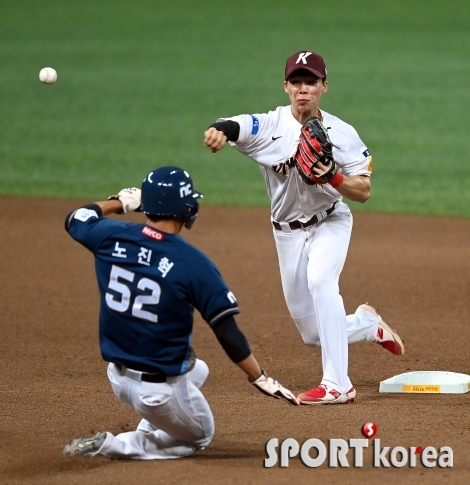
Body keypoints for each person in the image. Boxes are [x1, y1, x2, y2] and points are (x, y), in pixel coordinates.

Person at [203, 50, 405, 405]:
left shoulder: (342, 133)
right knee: (313, 334)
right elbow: (235, 125)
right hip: (286, 234)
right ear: (285, 87)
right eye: (296, 82)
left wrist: (334, 175)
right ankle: (364, 324)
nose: (303, 89)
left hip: (331, 222)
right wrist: (220, 131)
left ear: (324, 87)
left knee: (320, 281)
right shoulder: (271, 126)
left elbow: (363, 191)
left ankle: (338, 384)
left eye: (310, 82)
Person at [62, 166, 298, 460]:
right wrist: (260, 378)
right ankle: (117, 445)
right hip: (156, 394)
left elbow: (76, 218)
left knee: (199, 369)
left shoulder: (110, 236)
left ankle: (152, 422)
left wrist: (120, 202)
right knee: (199, 437)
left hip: (118, 378)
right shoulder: (192, 263)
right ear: (187, 208)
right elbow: (227, 332)